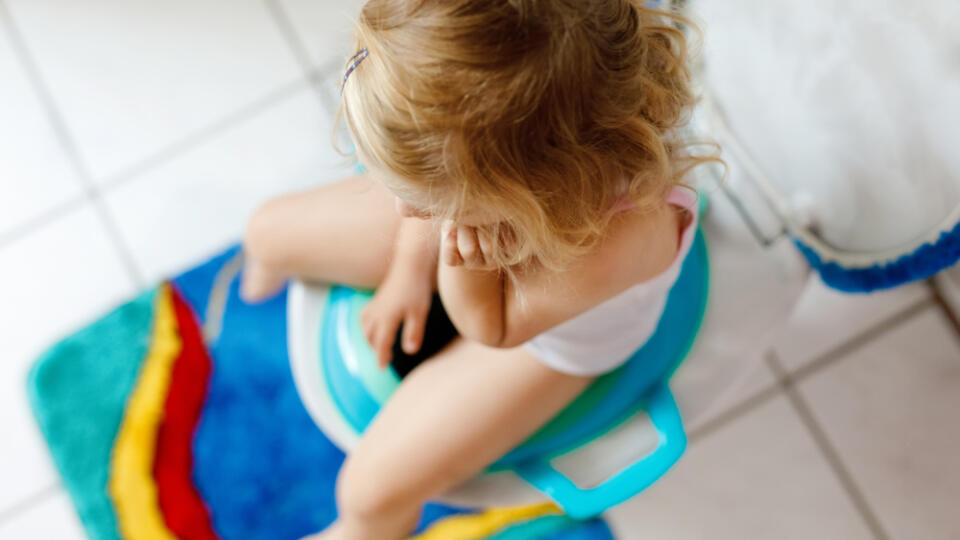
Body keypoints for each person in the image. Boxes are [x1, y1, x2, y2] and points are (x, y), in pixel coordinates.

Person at [242, 1, 716, 538]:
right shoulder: (498, 143)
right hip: (479, 215)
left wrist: (457, 258)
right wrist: (408, 266)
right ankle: (270, 273)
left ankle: (367, 531)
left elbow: (490, 327)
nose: (403, 212)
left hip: (545, 341)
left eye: (423, 200)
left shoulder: (622, 240)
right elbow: (449, 180)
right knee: (264, 229)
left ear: (510, 193)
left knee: (370, 491)